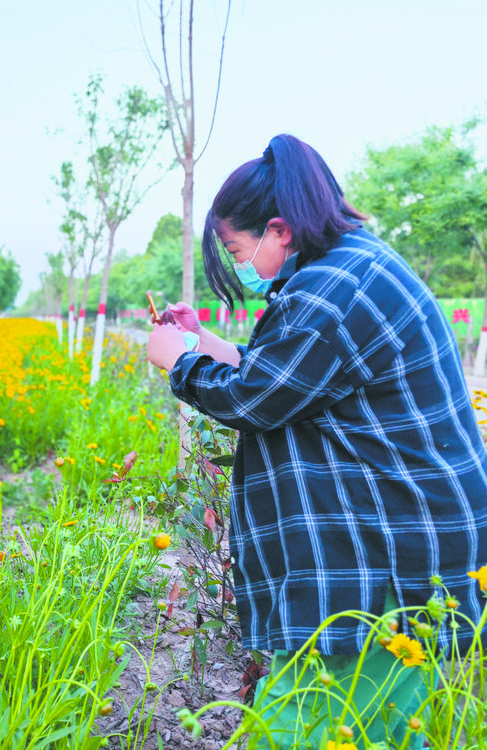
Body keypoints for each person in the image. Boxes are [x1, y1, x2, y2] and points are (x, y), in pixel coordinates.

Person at [146, 134, 487, 747]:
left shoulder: (334, 289)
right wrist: (203, 343)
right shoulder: (345, 271)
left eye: (236, 247)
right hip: (386, 541)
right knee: (375, 727)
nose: (240, 263)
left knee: (300, 722)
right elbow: (285, 375)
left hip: (389, 557)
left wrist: (180, 365)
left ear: (279, 230)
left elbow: (256, 397)